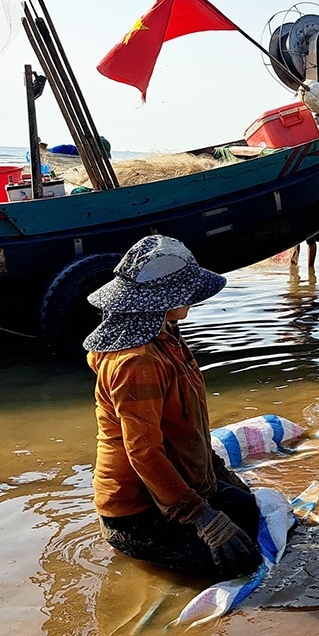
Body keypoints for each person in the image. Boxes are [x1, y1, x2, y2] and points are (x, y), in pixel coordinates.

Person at [83, 235, 262, 580]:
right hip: (137, 508)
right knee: (240, 564)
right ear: (162, 300)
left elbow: (188, 425)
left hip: (177, 484)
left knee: (245, 508)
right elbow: (144, 453)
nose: (191, 301)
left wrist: (216, 473)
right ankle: (135, 550)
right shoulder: (135, 362)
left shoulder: (165, 334)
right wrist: (202, 517)